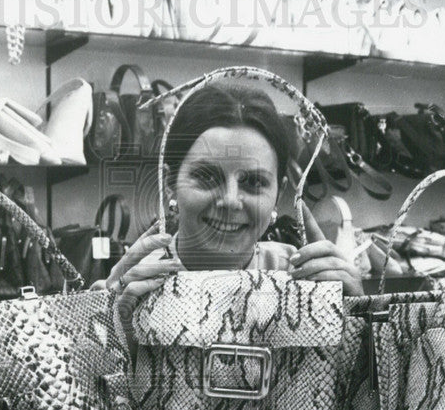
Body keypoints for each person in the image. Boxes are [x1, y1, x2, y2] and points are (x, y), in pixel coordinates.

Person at [97, 83, 364, 338]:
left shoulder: (308, 279)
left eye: (254, 182)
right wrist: (108, 327)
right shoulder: (127, 285)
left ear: (279, 193)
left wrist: (357, 322)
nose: (230, 201)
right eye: (207, 177)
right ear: (170, 183)